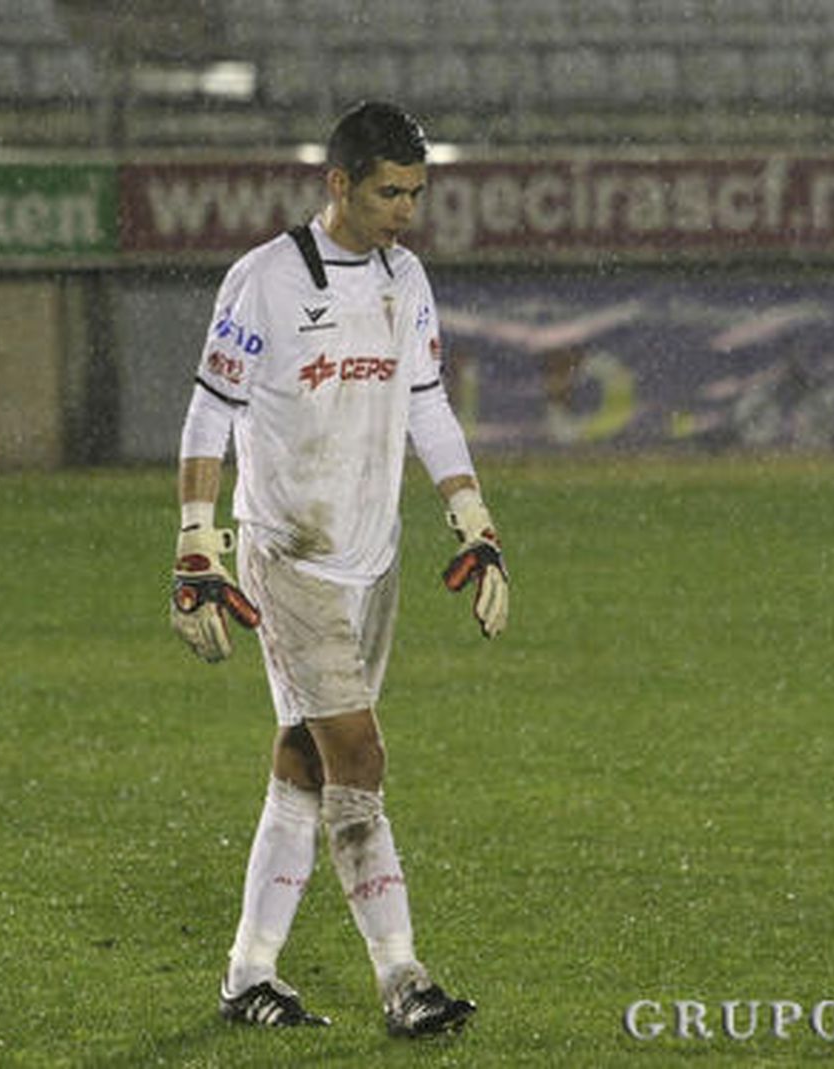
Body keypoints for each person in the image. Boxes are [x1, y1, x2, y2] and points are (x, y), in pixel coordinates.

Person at [168, 101, 509, 1038]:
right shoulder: (267, 281)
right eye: (388, 192)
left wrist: (473, 519)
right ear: (339, 184)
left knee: (307, 761)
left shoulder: (409, 279)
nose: (405, 210)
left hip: (376, 558)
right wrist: (198, 539)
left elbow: (428, 405)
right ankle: (404, 979)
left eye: (415, 193)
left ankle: (248, 975)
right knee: (359, 755)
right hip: (291, 557)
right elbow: (208, 416)